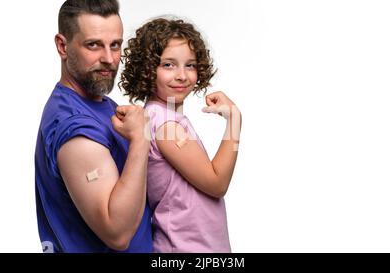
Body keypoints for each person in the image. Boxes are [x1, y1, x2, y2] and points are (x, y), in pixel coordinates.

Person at [34, 0, 153, 253]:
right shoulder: (75, 128)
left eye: (115, 45)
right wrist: (142, 139)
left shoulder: (102, 104)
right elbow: (117, 233)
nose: (109, 59)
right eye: (94, 45)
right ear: (62, 46)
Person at [120, 18, 242, 252]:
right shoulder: (166, 125)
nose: (182, 75)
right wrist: (234, 120)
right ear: (147, 68)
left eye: (190, 65)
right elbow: (217, 184)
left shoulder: (161, 118)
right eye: (168, 65)